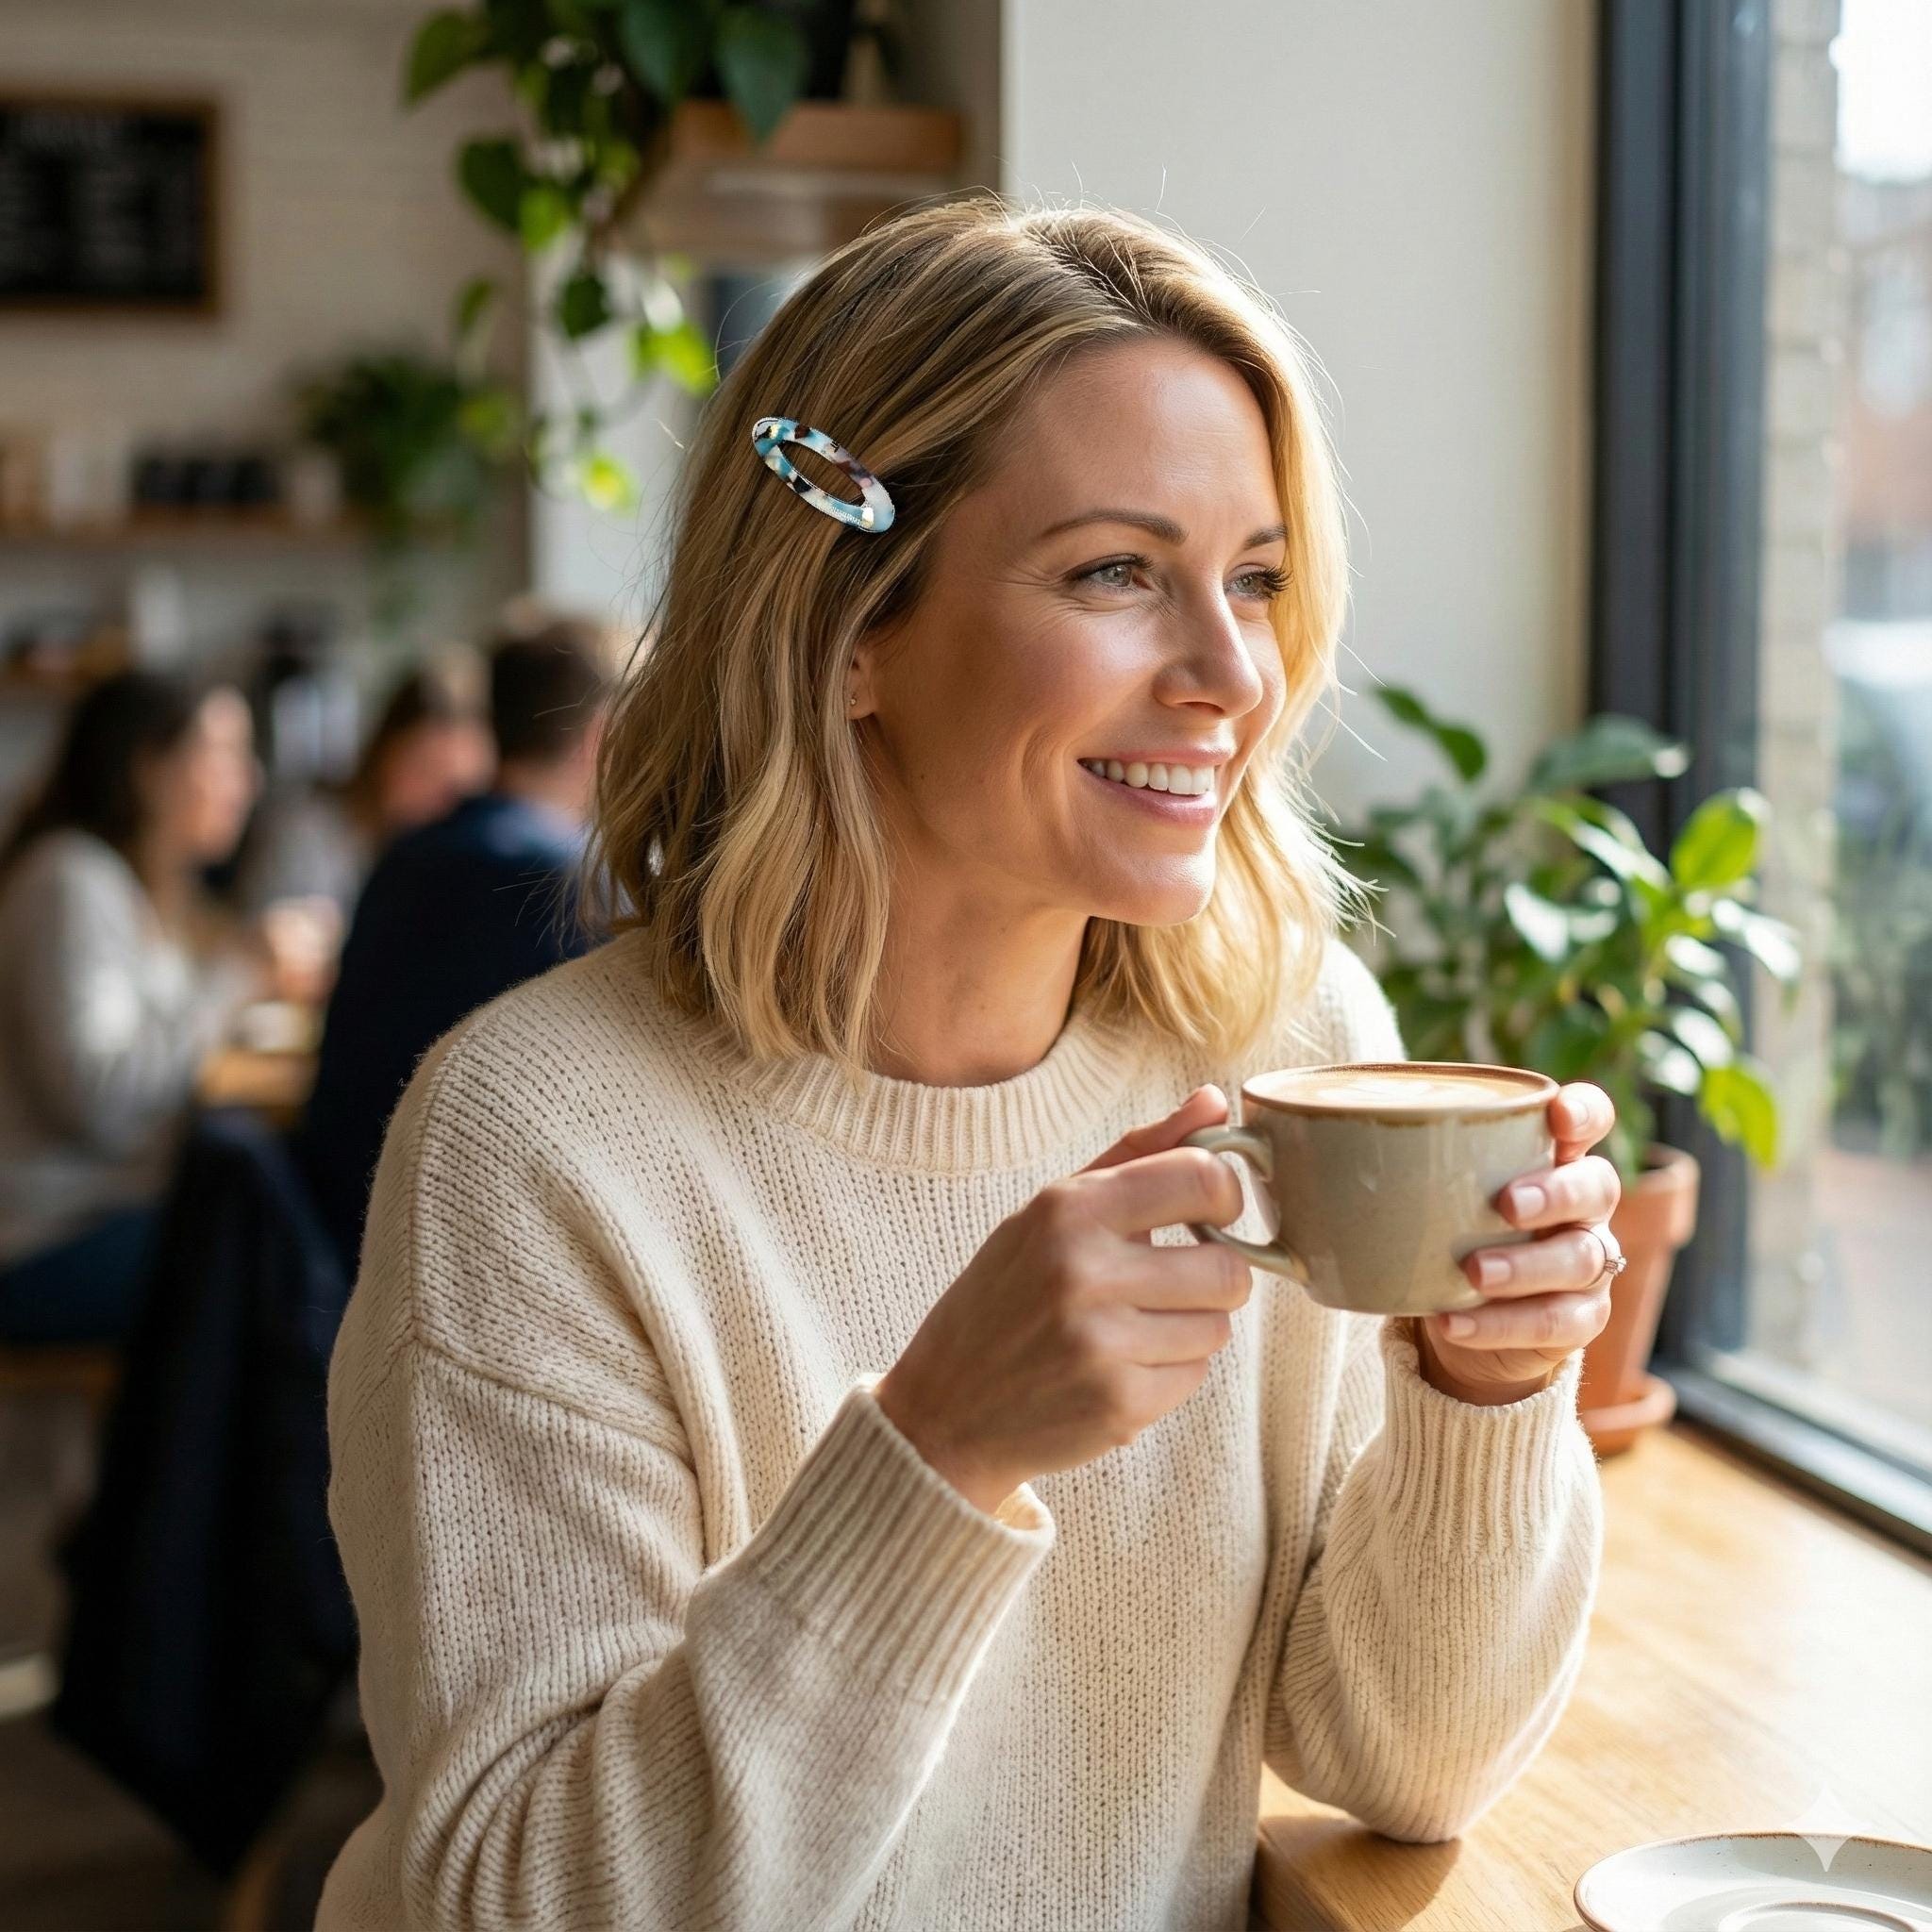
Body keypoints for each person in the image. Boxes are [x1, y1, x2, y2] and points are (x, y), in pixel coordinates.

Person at [318, 199, 1622, 1932]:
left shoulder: (1292, 1054)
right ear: (851, 627)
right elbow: (523, 1898)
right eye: (1112, 573)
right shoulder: (537, 1143)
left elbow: (1403, 1759)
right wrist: (935, 1450)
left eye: (1251, 577)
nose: (1231, 673)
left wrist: (1483, 1393)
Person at [0, 671, 322, 1344]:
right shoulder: (71, 882)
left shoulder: (125, 889)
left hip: (98, 1216)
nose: (249, 779)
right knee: (285, 1272)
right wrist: (239, 973)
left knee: (281, 1242)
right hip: (43, 1237)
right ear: (149, 769)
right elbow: (104, 1100)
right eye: (225, 752)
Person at [294, 620, 611, 1274]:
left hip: (344, 1232)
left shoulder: (405, 855)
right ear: (601, 734)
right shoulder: (577, 891)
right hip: (477, 1254)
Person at [234, 659, 493, 918]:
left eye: (455, 791)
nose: (435, 800)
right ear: (384, 751)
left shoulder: (451, 865)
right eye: (424, 769)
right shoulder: (310, 836)